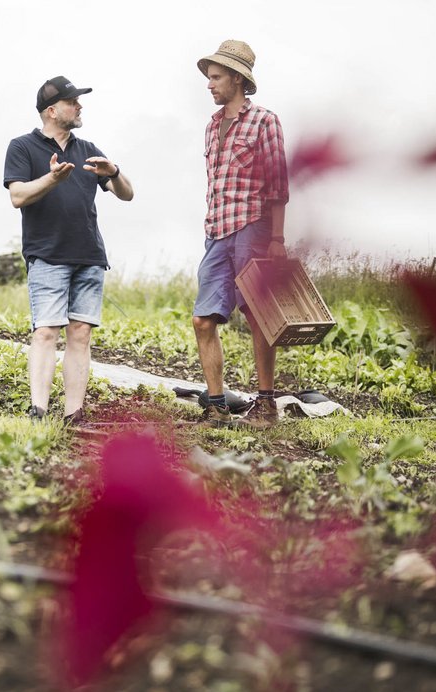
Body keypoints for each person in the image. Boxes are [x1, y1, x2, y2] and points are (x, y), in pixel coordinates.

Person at [3, 76, 134, 425]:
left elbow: (127, 194)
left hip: (89, 256)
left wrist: (115, 171)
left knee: (81, 334)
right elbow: (17, 196)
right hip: (47, 255)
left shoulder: (88, 148)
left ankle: (74, 414)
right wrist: (52, 179)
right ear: (51, 110)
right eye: (72, 101)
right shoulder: (22, 147)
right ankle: (38, 412)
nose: (79, 106)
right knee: (46, 331)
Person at [192, 40, 290, 427]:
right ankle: (216, 404)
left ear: (237, 78)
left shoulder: (265, 121)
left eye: (216, 77)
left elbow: (278, 186)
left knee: (259, 317)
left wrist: (277, 240)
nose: (209, 85)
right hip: (217, 229)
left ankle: (266, 405)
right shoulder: (212, 125)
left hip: (253, 227)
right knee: (204, 319)